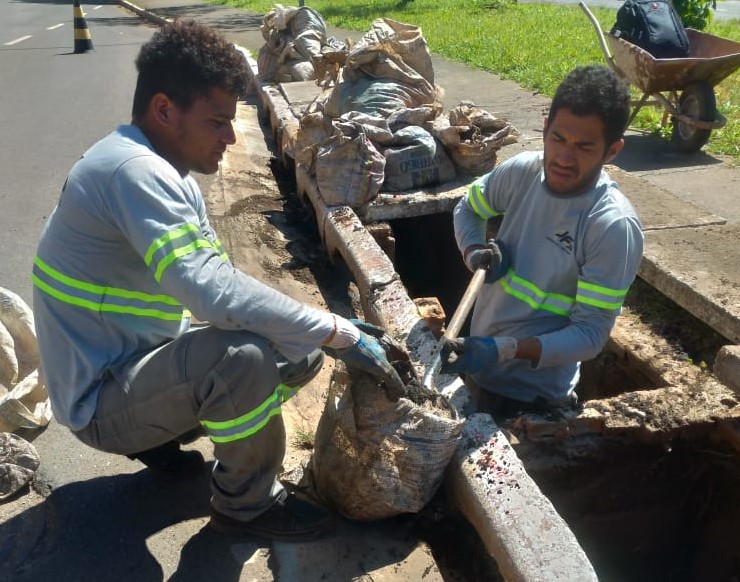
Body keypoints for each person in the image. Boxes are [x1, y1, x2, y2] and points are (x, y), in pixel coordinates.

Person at [32, 19, 405, 542]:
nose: (231, 137)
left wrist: (318, 330)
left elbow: (222, 278)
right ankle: (246, 505)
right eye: (217, 122)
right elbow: (209, 291)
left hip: (128, 360)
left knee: (298, 351)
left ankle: (161, 437)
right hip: (98, 398)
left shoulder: (163, 169)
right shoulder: (133, 172)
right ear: (164, 111)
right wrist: (336, 328)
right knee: (242, 361)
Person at [441, 65, 644, 421]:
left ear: (611, 151)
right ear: (546, 127)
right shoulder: (521, 173)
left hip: (535, 401)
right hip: (477, 373)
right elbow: (468, 209)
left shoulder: (610, 226)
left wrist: (504, 350)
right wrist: (474, 251)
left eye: (584, 147)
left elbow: (590, 335)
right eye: (558, 139)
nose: (564, 159)